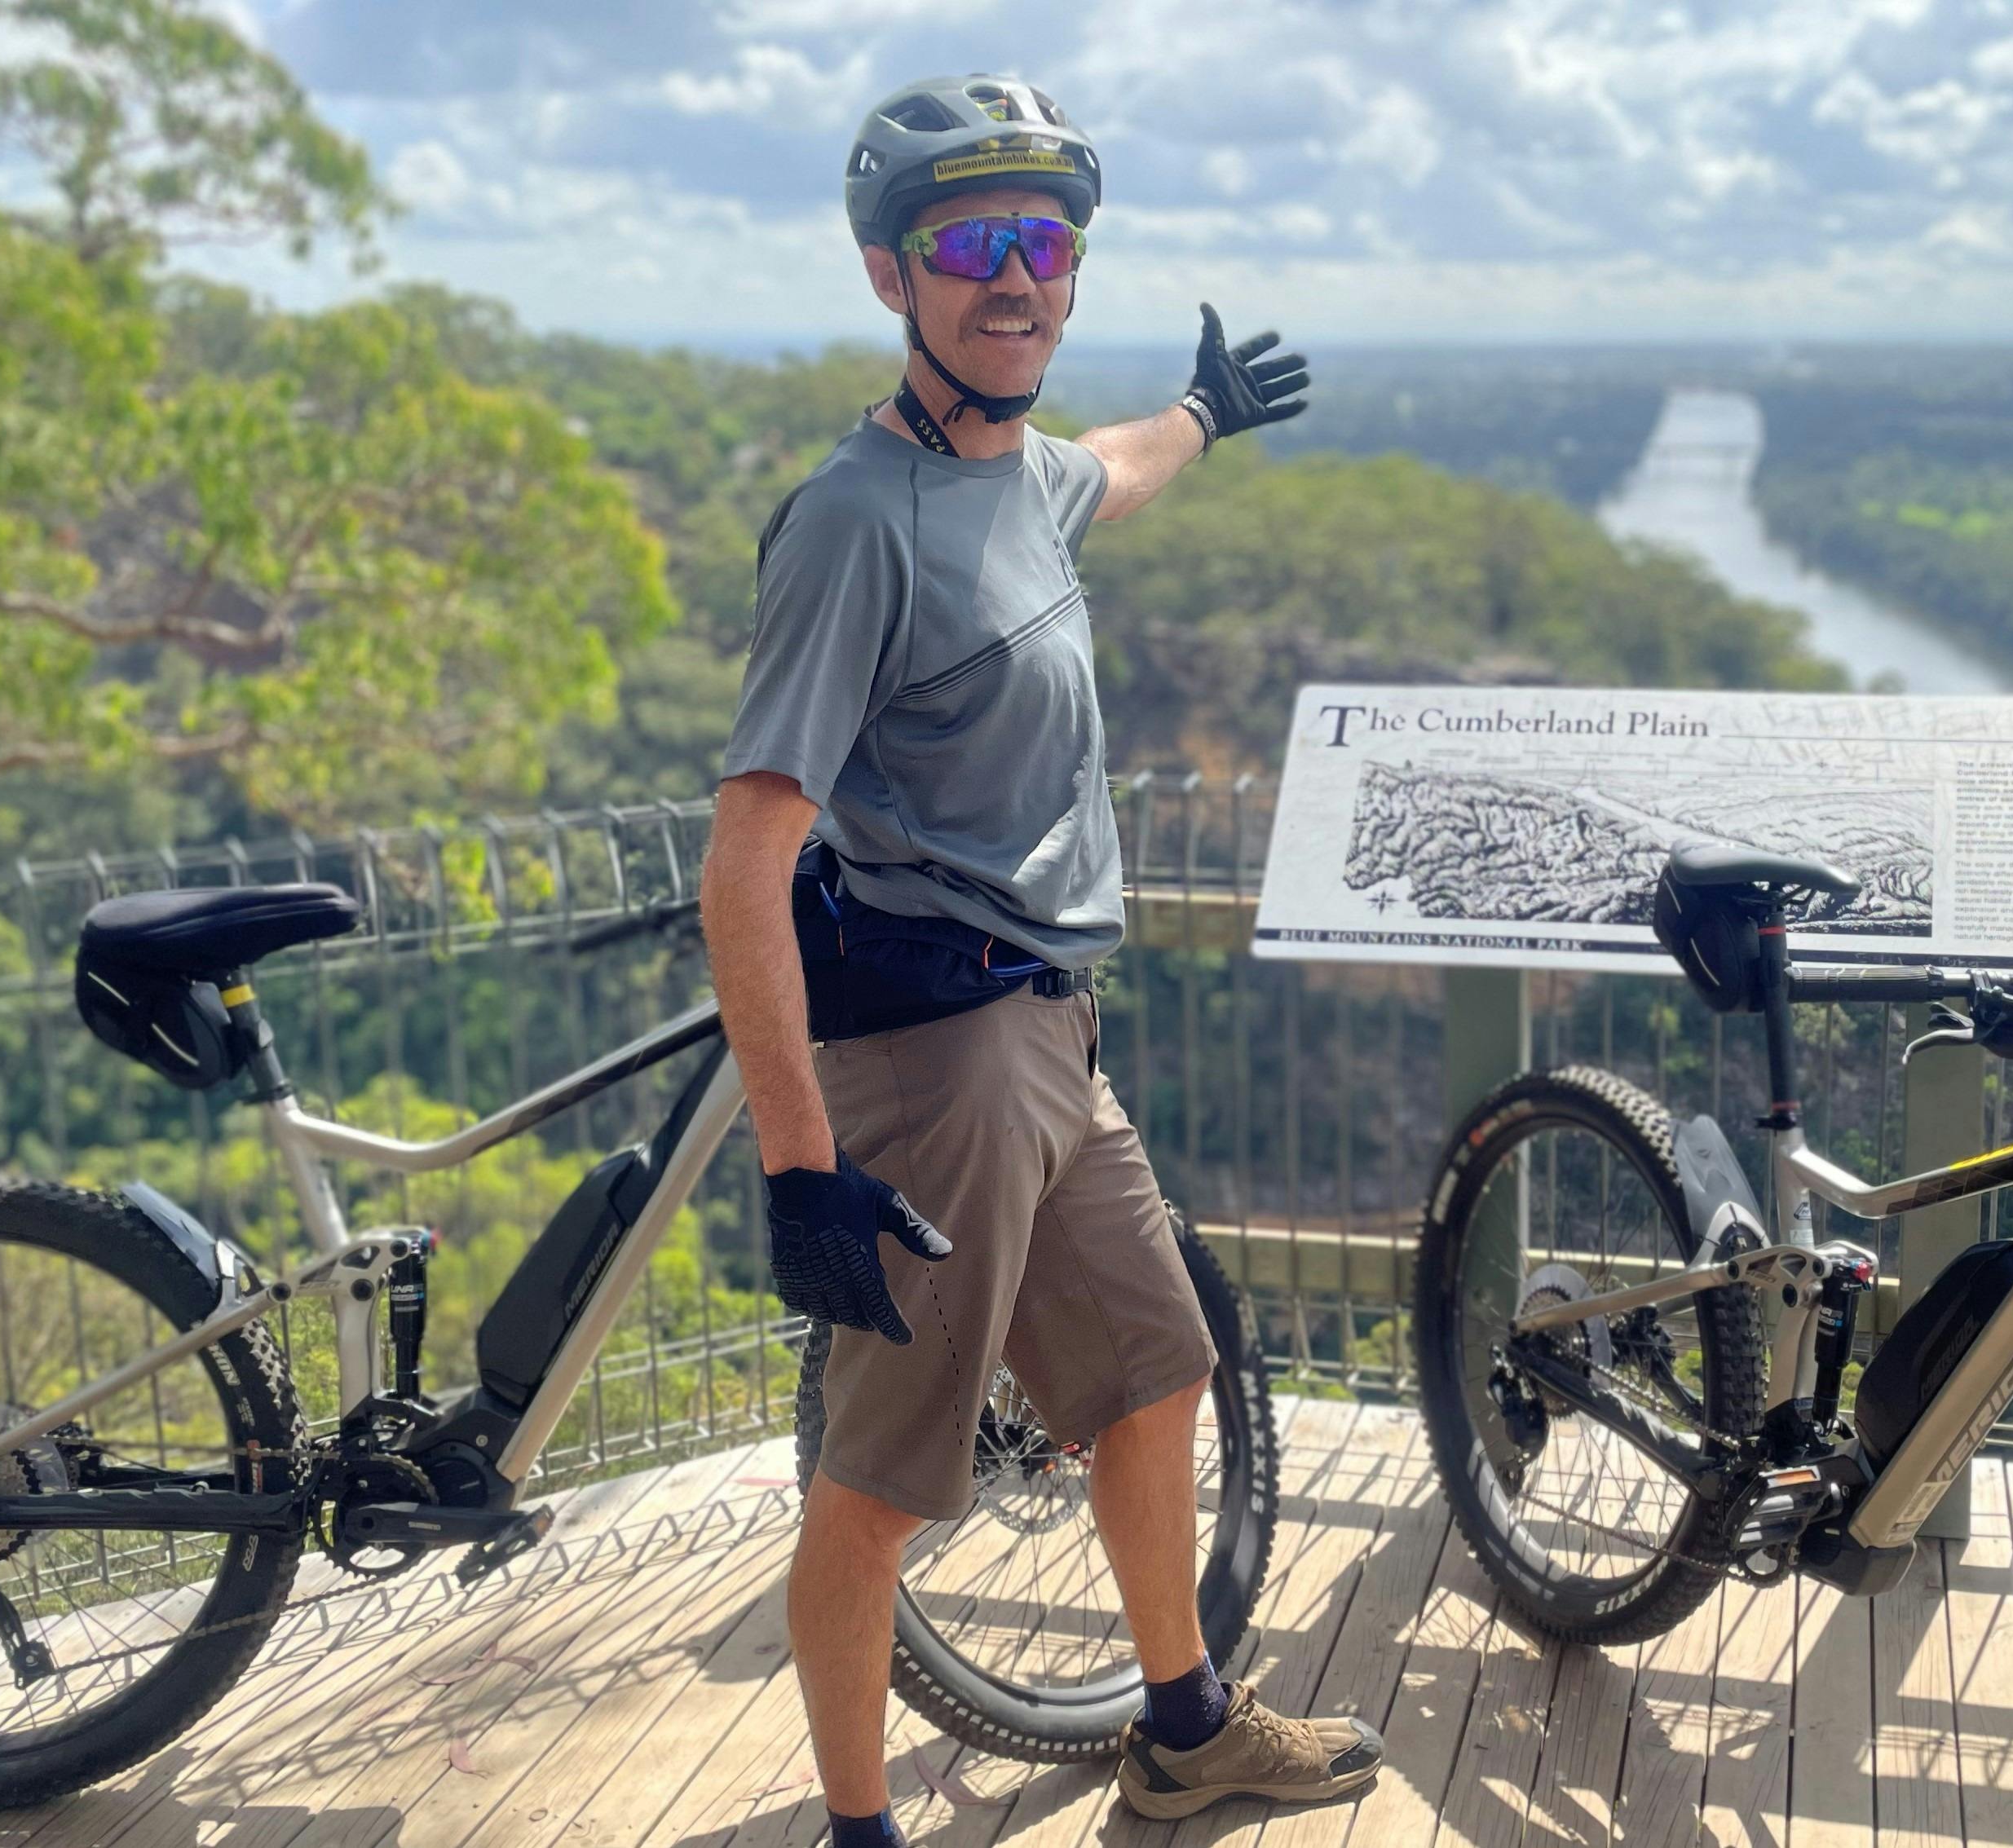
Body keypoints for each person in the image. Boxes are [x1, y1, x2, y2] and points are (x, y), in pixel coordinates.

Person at [698, 75, 1380, 1847]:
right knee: (883, 1481)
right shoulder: (854, 520)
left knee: (1157, 1376)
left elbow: (1115, 476)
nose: (1020, 279)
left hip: (1053, 1044)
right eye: (974, 245)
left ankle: (1182, 1729)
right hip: (936, 1064)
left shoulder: (1023, 477)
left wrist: (1207, 411)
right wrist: (799, 1173)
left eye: (1049, 243)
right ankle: (858, 1832)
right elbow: (746, 863)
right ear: (889, 275)